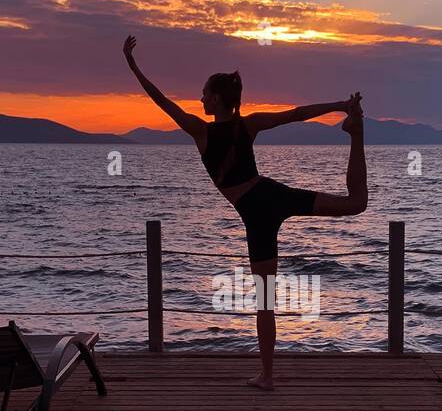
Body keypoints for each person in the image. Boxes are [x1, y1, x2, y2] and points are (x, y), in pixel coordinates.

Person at [123, 35, 367, 389]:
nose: (201, 98)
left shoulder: (201, 131)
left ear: (217, 98)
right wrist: (342, 105)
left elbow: (160, 100)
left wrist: (132, 65)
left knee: (265, 298)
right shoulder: (245, 124)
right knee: (355, 204)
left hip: (258, 210)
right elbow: (295, 115)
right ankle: (356, 134)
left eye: (205, 93)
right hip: (270, 199)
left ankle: (267, 376)